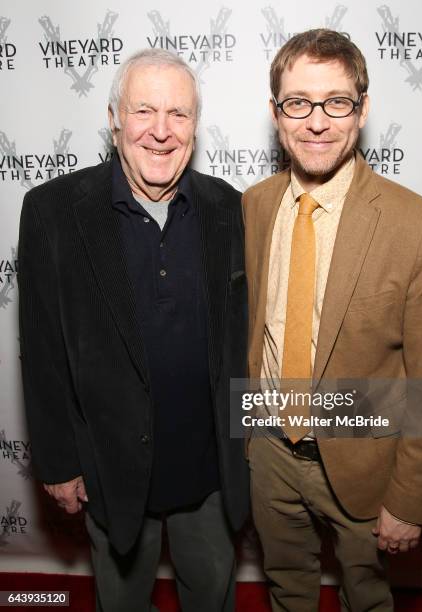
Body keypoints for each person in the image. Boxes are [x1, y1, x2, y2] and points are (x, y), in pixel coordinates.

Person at [18, 48, 249, 612]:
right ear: (114, 117)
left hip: (212, 469)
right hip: (109, 467)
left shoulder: (233, 210)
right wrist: (58, 462)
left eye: (180, 114)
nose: (162, 132)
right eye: (144, 111)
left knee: (211, 598)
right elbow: (42, 349)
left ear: (196, 125)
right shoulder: (53, 212)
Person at [242, 29, 422, 612]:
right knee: (285, 588)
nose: (317, 121)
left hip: (368, 462)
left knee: (367, 599)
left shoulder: (419, 226)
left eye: (336, 102)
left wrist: (410, 499)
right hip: (268, 452)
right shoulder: (253, 205)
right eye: (298, 103)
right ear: (275, 113)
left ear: (363, 109)